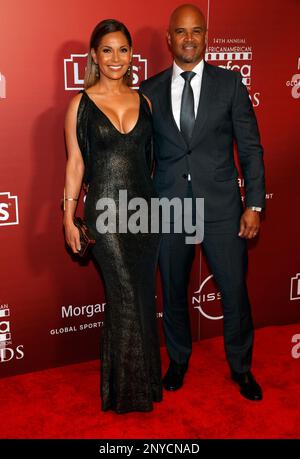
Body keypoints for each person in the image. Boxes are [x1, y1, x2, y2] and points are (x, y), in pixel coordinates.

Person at [140, 4, 265, 401]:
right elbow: (141, 156)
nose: (189, 38)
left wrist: (255, 204)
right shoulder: (148, 90)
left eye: (196, 31)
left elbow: (250, 149)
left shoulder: (230, 85)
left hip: (223, 207)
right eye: (181, 31)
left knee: (234, 292)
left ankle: (241, 367)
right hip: (170, 207)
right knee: (173, 291)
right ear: (169, 37)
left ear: (207, 36)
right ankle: (178, 360)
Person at [63, 19, 162, 413]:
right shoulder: (80, 104)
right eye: (107, 50)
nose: (115, 58)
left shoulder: (146, 101)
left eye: (123, 50)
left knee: (139, 295)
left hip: (145, 213)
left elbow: (150, 162)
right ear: (94, 56)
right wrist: (67, 216)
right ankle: (127, 392)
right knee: (123, 294)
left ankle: (145, 384)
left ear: (131, 55)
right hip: (104, 214)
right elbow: (74, 164)